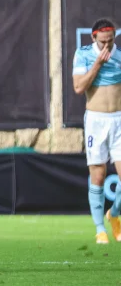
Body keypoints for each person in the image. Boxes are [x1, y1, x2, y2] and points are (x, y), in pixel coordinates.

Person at [73, 18, 121, 244]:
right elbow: (79, 87)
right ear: (94, 38)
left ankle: (114, 213)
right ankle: (100, 228)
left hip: (119, 120)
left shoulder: (119, 54)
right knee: (99, 175)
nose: (107, 46)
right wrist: (98, 64)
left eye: (110, 42)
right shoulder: (83, 54)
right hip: (96, 121)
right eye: (103, 42)